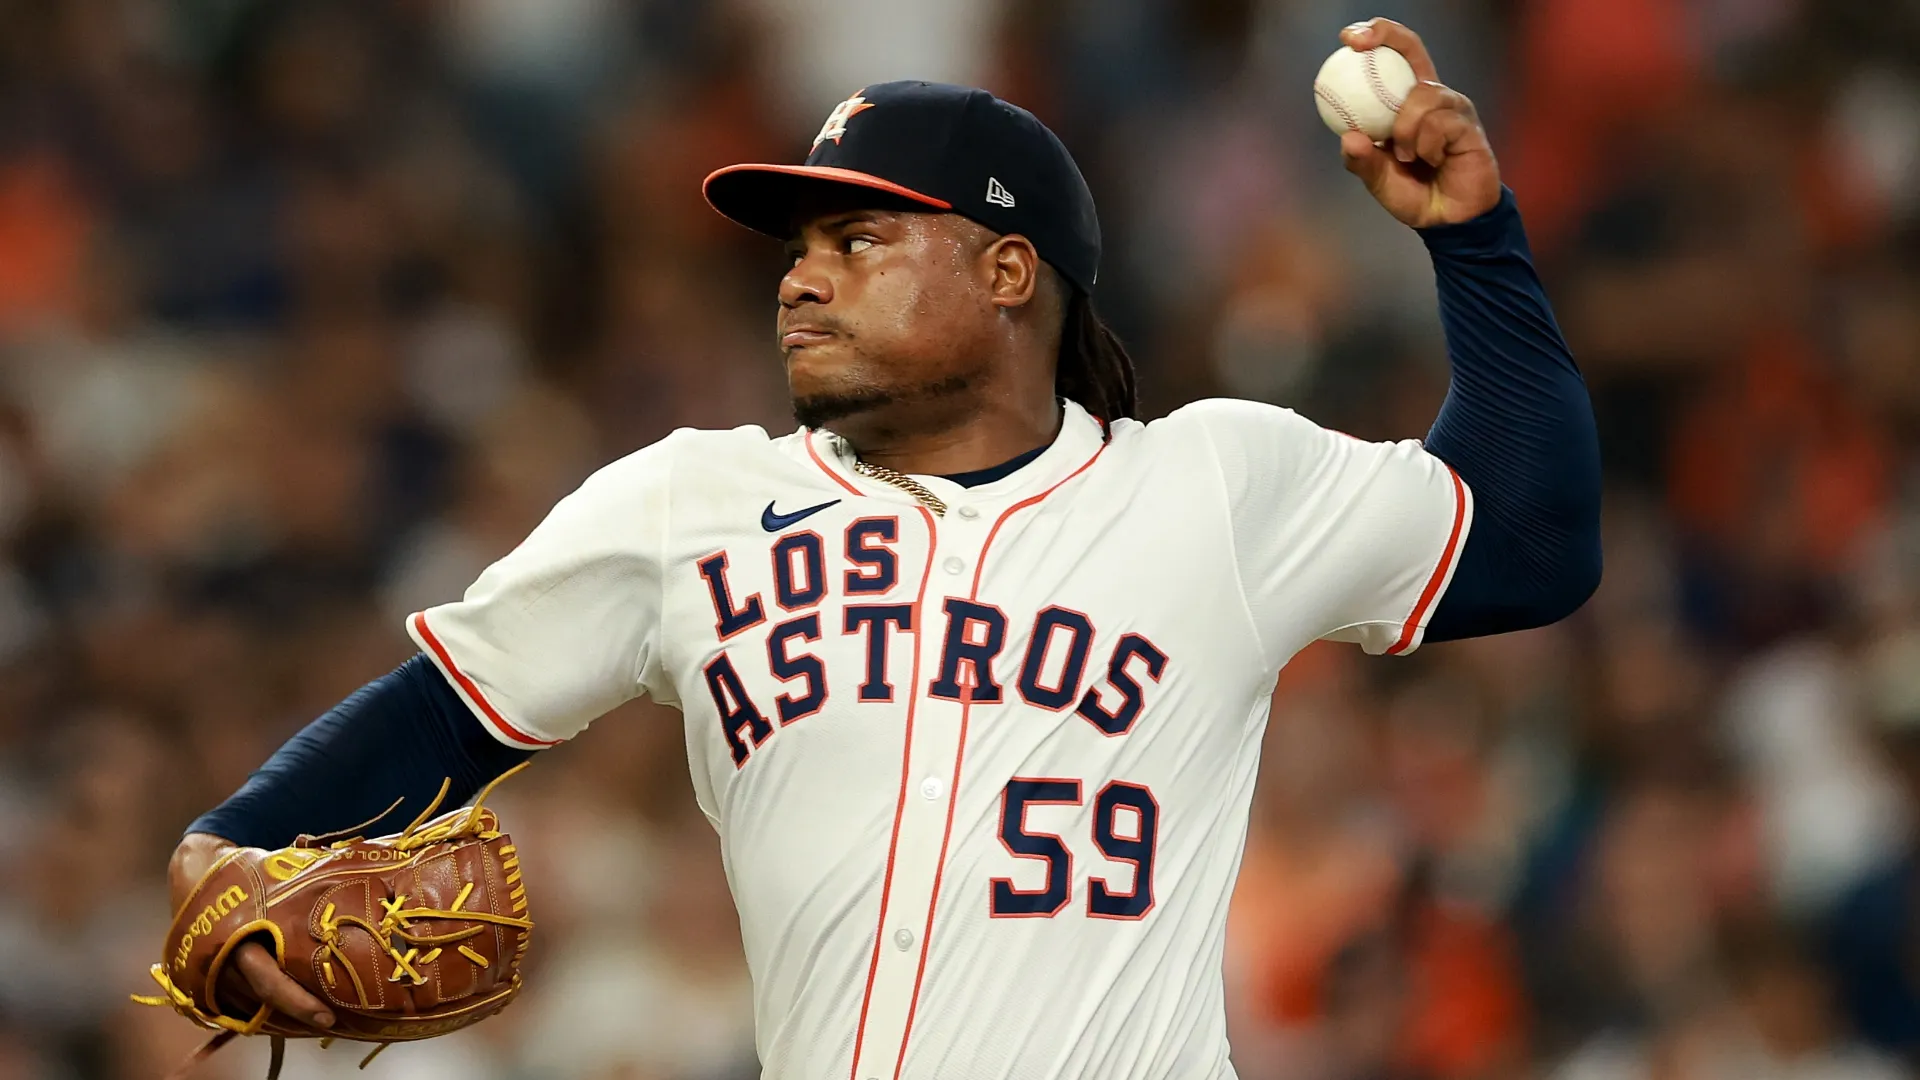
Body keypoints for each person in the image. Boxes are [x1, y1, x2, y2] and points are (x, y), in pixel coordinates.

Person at [167, 19, 1601, 1080]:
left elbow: (1531, 539)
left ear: (1006, 269)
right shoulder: (690, 505)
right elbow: (446, 711)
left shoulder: (1213, 485)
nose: (801, 274)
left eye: (858, 239)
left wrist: (1473, 241)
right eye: (799, 248)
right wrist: (223, 848)